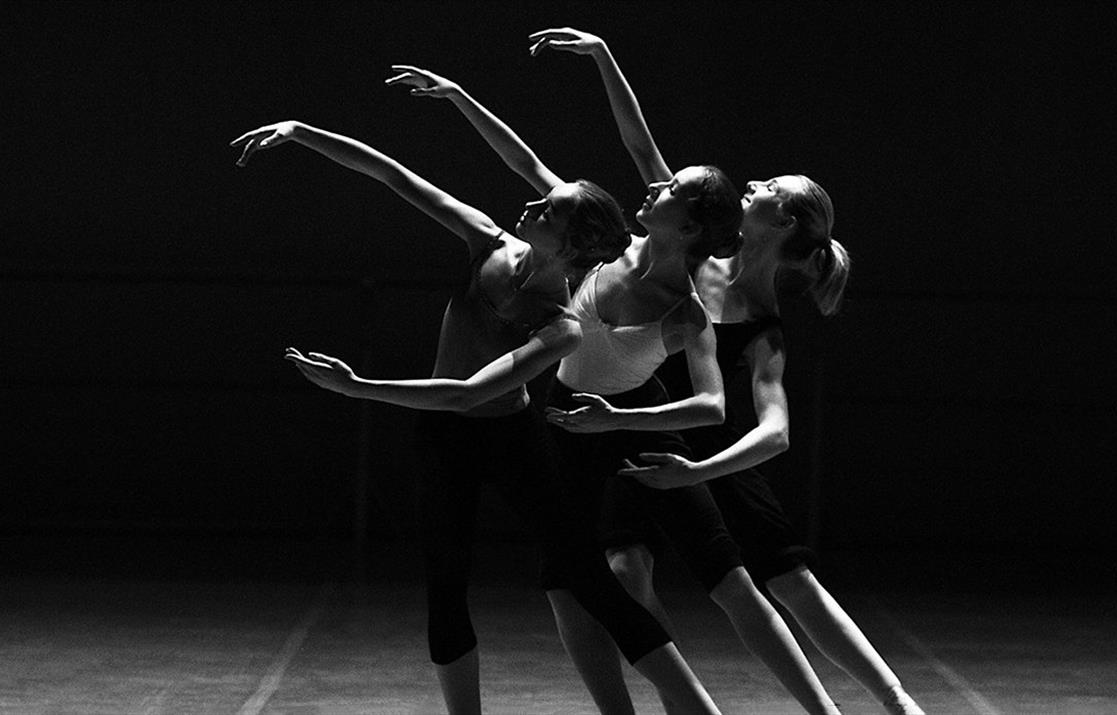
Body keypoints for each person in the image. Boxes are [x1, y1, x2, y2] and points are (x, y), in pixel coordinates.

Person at [231, 108, 720, 714]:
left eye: (548, 212)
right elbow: (394, 175)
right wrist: (300, 132)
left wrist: (358, 387)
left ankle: (696, 707)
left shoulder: (561, 326)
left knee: (587, 576)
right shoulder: (487, 239)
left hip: (513, 440)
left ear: (570, 246)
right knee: (446, 586)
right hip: (445, 440)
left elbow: (469, 391)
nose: (531, 207)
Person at [529, 27, 925, 715]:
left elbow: (773, 432)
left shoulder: (763, 324)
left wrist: (701, 470)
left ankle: (890, 702)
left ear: (785, 219)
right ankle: (682, 700)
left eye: (768, 187)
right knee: (624, 567)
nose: (752, 183)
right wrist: (603, 56)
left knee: (783, 578)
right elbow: (640, 145)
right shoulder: (691, 256)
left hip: (708, 447)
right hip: (640, 425)